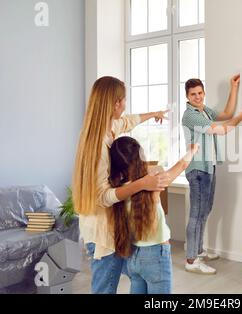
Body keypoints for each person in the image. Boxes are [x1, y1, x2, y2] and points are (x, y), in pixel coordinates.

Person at [72, 76, 171, 294]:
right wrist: (141, 183)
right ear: (115, 103)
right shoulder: (97, 144)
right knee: (105, 289)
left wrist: (154, 114)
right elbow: (102, 196)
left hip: (108, 227)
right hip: (101, 233)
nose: (125, 105)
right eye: (123, 100)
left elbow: (129, 120)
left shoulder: (110, 127)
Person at [109, 137, 199, 294]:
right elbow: (182, 164)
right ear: (140, 157)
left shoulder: (118, 190)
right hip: (155, 256)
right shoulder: (155, 183)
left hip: (131, 256)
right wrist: (193, 150)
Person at [182, 75, 242, 275]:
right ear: (187, 96)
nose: (197, 97)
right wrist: (239, 119)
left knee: (205, 210)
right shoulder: (190, 115)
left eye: (200, 93)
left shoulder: (204, 111)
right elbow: (221, 130)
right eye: (193, 94)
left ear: (204, 93)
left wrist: (233, 87)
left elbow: (227, 113)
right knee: (196, 213)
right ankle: (191, 259)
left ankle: (199, 250)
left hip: (209, 166)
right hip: (197, 168)